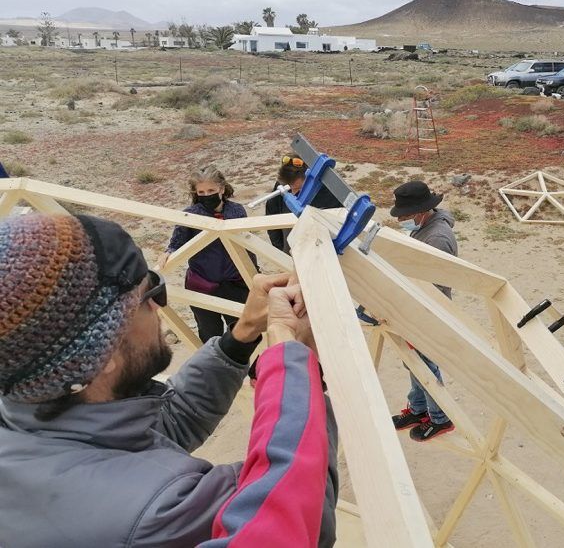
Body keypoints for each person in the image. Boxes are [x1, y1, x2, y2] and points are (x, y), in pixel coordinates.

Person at [0, 213, 338, 547]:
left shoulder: (31, 410)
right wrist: (294, 355)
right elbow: (298, 517)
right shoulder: (152, 517)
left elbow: (163, 424)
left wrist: (242, 335)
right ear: (102, 356)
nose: (161, 307)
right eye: (152, 295)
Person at [388, 180, 458, 442]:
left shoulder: (438, 238)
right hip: (416, 306)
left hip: (430, 310)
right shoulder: (426, 227)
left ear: (420, 212)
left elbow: (433, 283)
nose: (402, 221)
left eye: (405, 216)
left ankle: (441, 418)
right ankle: (418, 410)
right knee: (413, 361)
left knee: (426, 364)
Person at [159, 165, 256, 342]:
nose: (206, 195)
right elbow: (176, 243)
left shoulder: (237, 211)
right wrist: (169, 253)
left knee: (241, 335)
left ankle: (247, 369)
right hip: (202, 285)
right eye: (201, 192)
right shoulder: (190, 215)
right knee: (210, 335)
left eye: (211, 190)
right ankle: (214, 369)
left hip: (236, 284)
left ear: (221, 188)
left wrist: (254, 275)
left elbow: (247, 244)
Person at [266, 155, 343, 253]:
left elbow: (338, 225)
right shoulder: (284, 185)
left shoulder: (330, 192)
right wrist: (281, 250)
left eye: (298, 189)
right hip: (290, 245)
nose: (293, 193)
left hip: (321, 247)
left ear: (310, 179)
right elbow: (272, 216)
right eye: (290, 188)